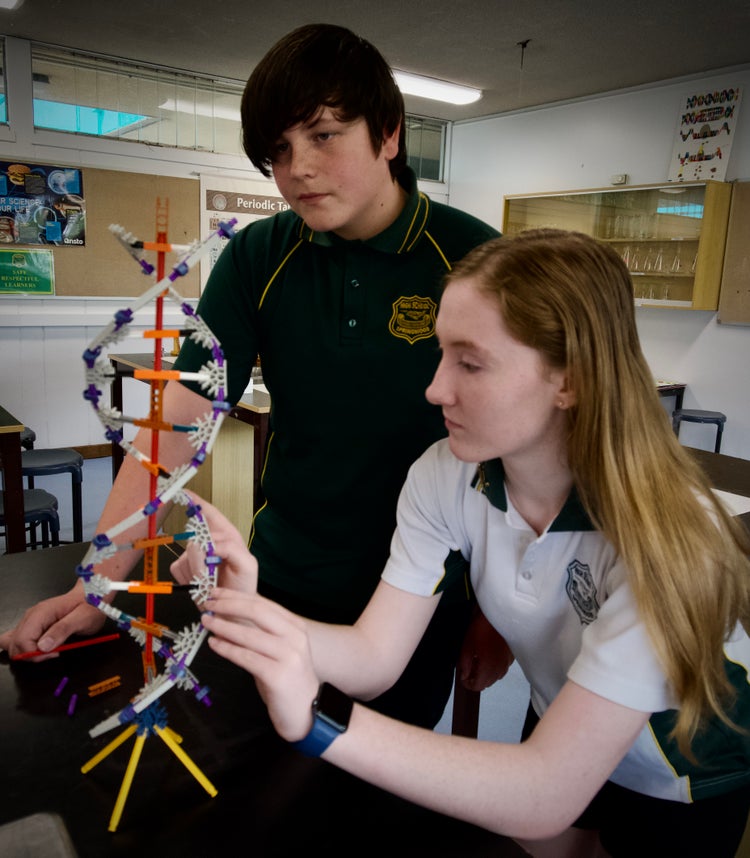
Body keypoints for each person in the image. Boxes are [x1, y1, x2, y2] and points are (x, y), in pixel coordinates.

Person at [172, 230, 750, 858]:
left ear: (571, 381)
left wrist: (320, 724)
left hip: (683, 766)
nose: (435, 389)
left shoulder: (670, 540)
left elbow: (544, 790)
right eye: (441, 353)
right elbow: (373, 657)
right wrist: (247, 607)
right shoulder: (447, 473)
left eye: (470, 363)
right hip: (564, 712)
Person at [0, 24, 504, 729]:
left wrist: (496, 610)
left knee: (381, 791)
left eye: (323, 135)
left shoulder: (477, 257)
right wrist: (99, 583)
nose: (297, 167)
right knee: (259, 779)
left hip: (424, 594)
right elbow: (177, 425)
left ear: (389, 133)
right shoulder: (258, 259)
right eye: (278, 151)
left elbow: (522, 449)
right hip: (280, 577)